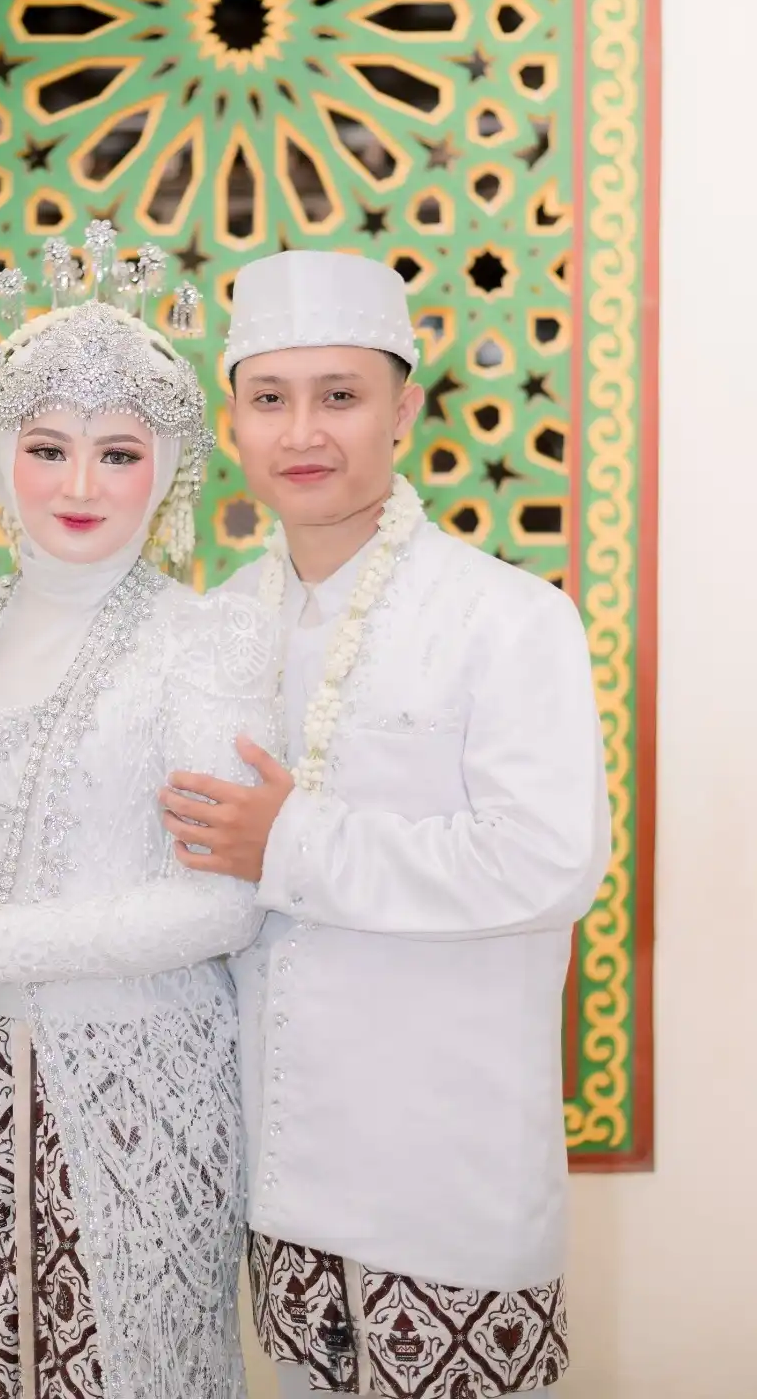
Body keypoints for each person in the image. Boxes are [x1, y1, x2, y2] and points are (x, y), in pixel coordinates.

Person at [159, 249, 611, 1398]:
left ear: (403, 410)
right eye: (271, 397)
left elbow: (550, 861)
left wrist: (292, 842)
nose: (304, 430)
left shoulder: (508, 619)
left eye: (341, 395)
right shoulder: (218, 627)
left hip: (446, 1187)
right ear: (235, 419)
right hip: (283, 1191)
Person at [0, 225, 280, 1399]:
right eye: (47, 447)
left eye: (118, 452)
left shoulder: (205, 642)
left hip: (147, 1090)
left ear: (168, 468)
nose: (81, 486)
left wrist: (1, 938)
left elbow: (225, 905)